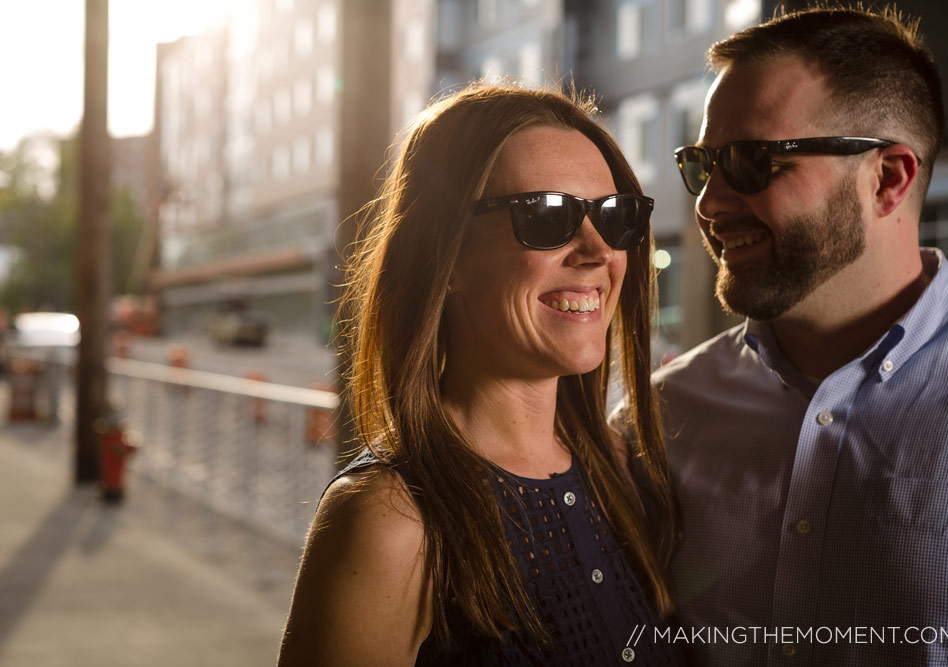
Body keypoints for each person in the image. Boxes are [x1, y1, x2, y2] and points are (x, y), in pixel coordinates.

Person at [277, 83, 686, 666]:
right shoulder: (391, 523)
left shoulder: (619, 471)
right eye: (548, 216)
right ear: (448, 260)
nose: (598, 251)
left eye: (615, 215)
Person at [655, 6, 948, 666]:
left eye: (752, 161)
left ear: (888, 178)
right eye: (701, 164)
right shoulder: (663, 417)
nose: (708, 202)